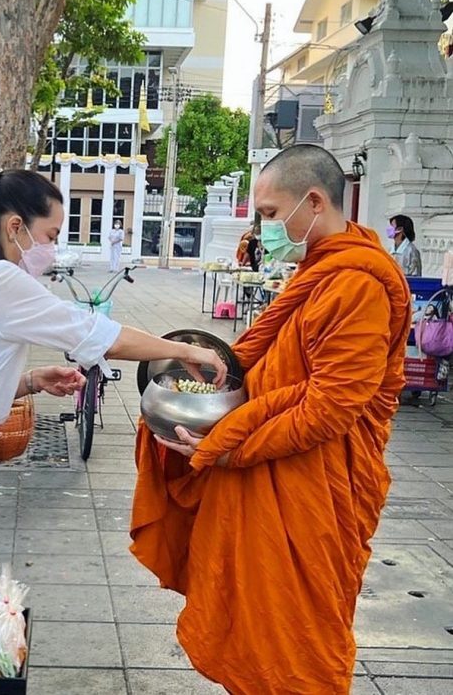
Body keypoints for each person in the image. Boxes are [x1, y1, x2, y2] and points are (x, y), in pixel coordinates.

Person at [130, 144, 411, 694]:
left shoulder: (357, 284)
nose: (263, 230)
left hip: (312, 490)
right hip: (272, 478)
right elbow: (257, 365)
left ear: (312, 202)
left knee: (297, 645)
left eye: (268, 214)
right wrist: (212, 383)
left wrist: (229, 444)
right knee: (256, 629)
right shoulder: (319, 271)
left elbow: (330, 407)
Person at [0, 163, 227, 584]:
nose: (52, 250)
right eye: (51, 236)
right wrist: (186, 348)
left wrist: (31, 382)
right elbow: (100, 335)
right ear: (16, 226)